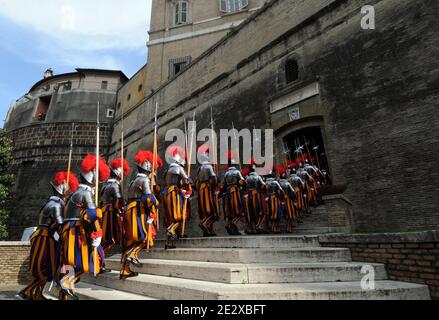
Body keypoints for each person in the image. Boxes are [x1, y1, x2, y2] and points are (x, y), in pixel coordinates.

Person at [17, 172, 78, 300]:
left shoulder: (50, 201)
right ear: (62, 189)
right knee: (46, 269)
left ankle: (37, 295)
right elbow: (60, 224)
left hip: (44, 235)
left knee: (47, 268)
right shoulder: (56, 204)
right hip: (45, 237)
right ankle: (26, 292)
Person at [59, 155, 110, 300]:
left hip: (68, 230)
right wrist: (98, 233)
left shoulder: (74, 193)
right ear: (92, 178)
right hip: (76, 232)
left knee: (70, 264)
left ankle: (66, 293)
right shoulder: (85, 193)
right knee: (91, 260)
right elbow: (93, 214)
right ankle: (66, 283)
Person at [121, 150, 158, 280]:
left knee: (130, 241)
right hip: (138, 211)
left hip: (128, 210)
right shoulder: (144, 180)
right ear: (147, 170)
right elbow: (148, 198)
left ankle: (124, 270)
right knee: (145, 236)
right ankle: (132, 255)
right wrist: (154, 203)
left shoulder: (133, 181)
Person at [162, 146, 192, 249]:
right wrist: (188, 189)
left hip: (166, 194)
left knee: (170, 219)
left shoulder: (167, 170)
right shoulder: (179, 168)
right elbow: (187, 180)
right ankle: (171, 230)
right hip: (175, 194)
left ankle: (168, 243)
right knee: (180, 216)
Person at [101, 158, 131, 253]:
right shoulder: (114, 185)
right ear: (118, 174)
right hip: (111, 212)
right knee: (113, 234)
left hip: (105, 210)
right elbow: (119, 200)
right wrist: (124, 204)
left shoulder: (105, 184)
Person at [196, 145, 219, 237]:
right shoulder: (209, 167)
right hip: (208, 190)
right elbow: (213, 179)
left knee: (205, 211)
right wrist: (216, 181)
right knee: (212, 210)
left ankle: (209, 230)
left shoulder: (199, 168)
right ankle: (204, 223)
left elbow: (196, 181)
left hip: (200, 190)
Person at [221, 151, 246, 235]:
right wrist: (243, 184)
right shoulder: (237, 172)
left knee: (231, 211)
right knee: (239, 209)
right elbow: (242, 181)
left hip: (228, 193)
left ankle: (229, 224)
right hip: (236, 192)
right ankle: (234, 223)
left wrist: (221, 193)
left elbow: (223, 185)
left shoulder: (226, 173)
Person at [244, 162, 266, 234]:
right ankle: (258, 226)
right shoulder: (258, 177)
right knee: (262, 211)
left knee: (250, 213)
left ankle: (251, 228)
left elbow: (244, 187)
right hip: (257, 196)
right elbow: (264, 186)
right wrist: (259, 190)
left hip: (248, 196)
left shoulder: (246, 178)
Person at [278, 165, 297, 233]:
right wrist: (294, 199)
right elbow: (293, 192)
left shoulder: (279, 184)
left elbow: (278, 193)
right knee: (289, 213)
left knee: (285, 214)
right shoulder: (287, 183)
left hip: (281, 201)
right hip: (288, 200)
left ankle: (288, 226)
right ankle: (288, 227)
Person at [265, 167, 284, 234]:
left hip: (268, 199)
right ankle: (274, 228)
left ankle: (274, 227)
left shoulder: (266, 182)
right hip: (275, 199)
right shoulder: (275, 182)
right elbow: (280, 191)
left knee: (270, 213)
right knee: (276, 214)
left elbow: (265, 191)